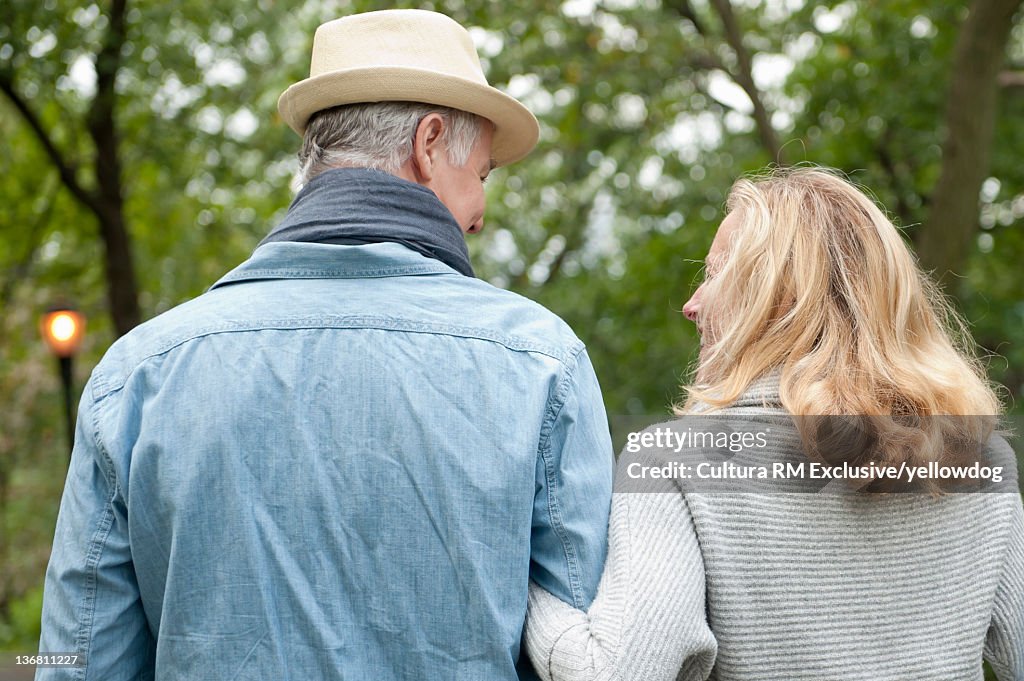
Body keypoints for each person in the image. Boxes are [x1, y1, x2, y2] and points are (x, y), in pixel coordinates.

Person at [36, 10, 614, 680]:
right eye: (481, 174)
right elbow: (586, 656)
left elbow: (75, 661)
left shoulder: (136, 376)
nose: (481, 213)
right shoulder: (543, 364)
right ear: (429, 145)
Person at [524, 167, 1024, 680]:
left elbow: (613, 674)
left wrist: (529, 577)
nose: (691, 305)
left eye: (715, 274)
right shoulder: (978, 459)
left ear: (780, 297)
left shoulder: (675, 461)